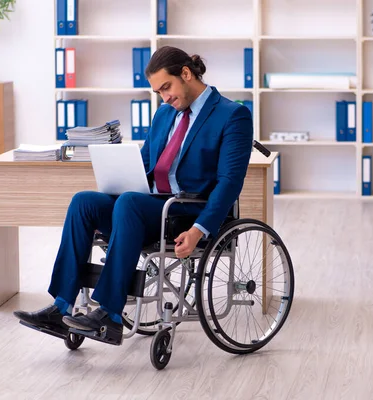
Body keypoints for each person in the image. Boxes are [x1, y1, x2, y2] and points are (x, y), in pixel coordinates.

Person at [13, 45, 254, 345]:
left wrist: (198, 230)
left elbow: (230, 183)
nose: (165, 97)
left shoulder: (233, 115)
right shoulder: (165, 114)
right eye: (159, 92)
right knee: (83, 202)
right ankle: (61, 307)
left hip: (186, 213)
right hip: (147, 208)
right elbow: (144, 164)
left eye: (167, 87)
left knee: (129, 203)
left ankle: (111, 317)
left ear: (187, 74)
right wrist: (118, 173)